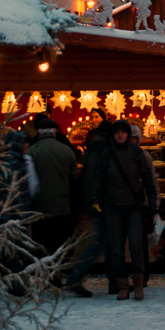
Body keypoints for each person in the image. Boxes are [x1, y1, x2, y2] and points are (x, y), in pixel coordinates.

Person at [91, 119, 156, 301]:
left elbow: (147, 178)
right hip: (113, 207)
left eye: (123, 131)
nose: (120, 134)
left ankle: (138, 284)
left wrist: (151, 201)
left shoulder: (136, 152)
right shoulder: (107, 154)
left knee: (136, 247)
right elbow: (99, 177)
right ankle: (122, 286)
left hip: (134, 207)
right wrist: (95, 196)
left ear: (128, 134)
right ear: (113, 135)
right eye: (117, 132)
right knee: (117, 249)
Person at [65, 119, 117, 297]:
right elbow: (99, 179)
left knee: (102, 242)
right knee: (100, 243)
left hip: (96, 202)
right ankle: (76, 278)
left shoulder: (94, 149)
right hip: (101, 203)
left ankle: (112, 281)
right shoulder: (103, 151)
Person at [30, 119, 78, 257]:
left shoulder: (32, 152)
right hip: (62, 206)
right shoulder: (67, 151)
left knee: (42, 244)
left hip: (40, 207)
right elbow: (74, 179)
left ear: (38, 131)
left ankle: (44, 274)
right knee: (60, 244)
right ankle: (59, 273)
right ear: (55, 131)